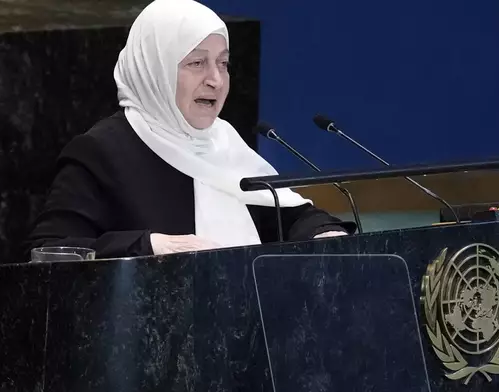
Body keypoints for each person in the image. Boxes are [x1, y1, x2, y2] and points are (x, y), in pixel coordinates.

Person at [24, 0, 355, 259]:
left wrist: (323, 233)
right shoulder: (102, 152)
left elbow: (285, 216)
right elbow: (52, 251)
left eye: (222, 63)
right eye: (197, 63)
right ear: (154, 69)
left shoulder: (222, 144)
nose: (216, 79)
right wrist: (148, 246)